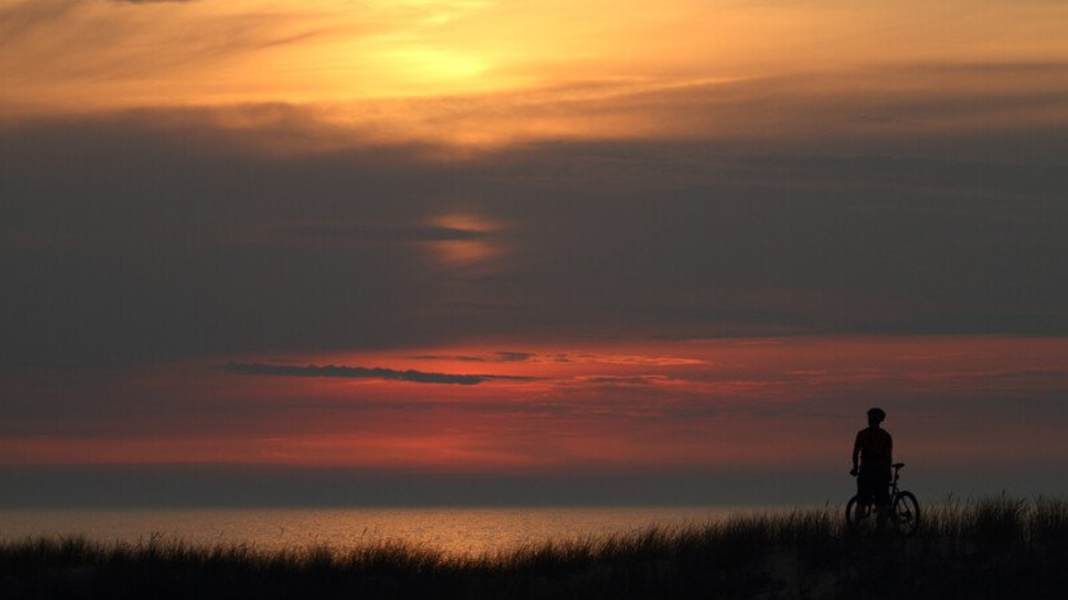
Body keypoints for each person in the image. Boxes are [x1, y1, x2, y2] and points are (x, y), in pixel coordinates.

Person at [850, 407, 892, 510]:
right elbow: (888, 457)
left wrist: (855, 468)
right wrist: (888, 471)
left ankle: (856, 525)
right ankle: (881, 525)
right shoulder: (886, 436)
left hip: (866, 471)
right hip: (881, 472)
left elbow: (855, 453)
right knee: (882, 504)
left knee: (862, 501)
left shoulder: (862, 434)